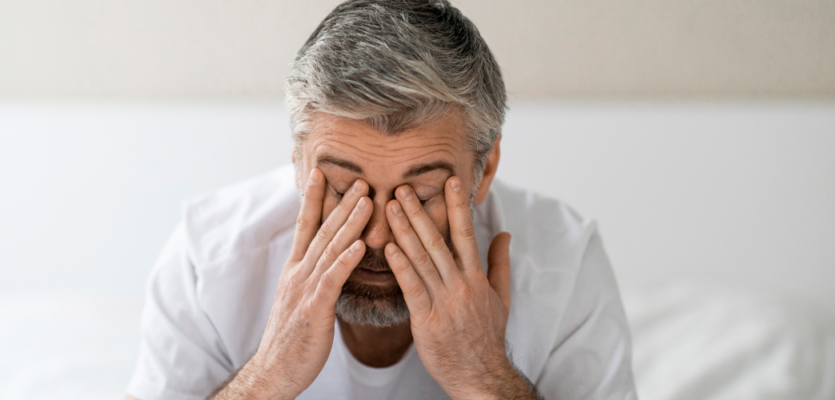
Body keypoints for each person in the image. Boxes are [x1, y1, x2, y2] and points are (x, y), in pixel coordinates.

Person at [126, 0, 636, 399]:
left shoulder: (563, 264)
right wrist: (268, 376)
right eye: (344, 190)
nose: (375, 234)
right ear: (299, 164)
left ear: (487, 171)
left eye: (420, 195)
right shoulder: (209, 257)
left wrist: (483, 376)